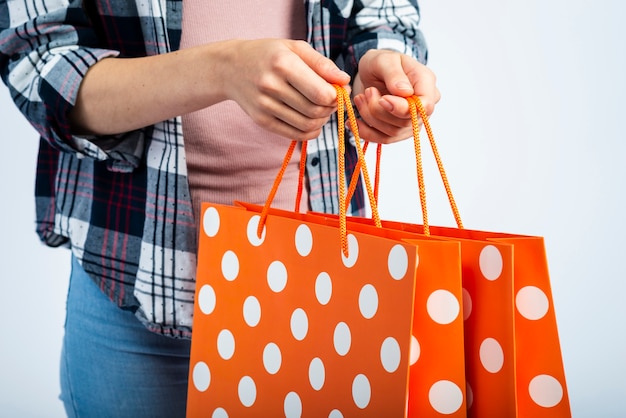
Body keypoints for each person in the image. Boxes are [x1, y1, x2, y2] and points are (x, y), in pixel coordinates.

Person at [0, 0, 440, 416]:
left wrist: (382, 69)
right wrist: (222, 69)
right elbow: (40, 63)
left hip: (327, 279)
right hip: (135, 279)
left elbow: (386, 17)